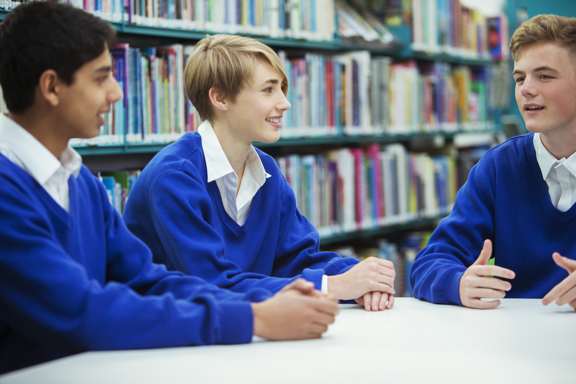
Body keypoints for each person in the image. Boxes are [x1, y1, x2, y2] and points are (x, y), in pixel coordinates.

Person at [0, 1, 340, 375]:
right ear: (51, 87)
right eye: (101, 78)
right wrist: (253, 318)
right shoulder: (7, 189)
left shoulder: (78, 180)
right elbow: (81, 310)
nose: (116, 92)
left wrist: (267, 303)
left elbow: (148, 280)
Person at [123, 34, 396, 312]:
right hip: (171, 343)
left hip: (241, 336)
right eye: (268, 90)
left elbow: (297, 258)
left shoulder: (266, 171)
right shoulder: (173, 178)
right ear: (220, 98)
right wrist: (333, 287)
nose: (285, 103)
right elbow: (213, 285)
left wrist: (363, 277)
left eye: (282, 88)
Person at [409, 14, 576, 310]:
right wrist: (457, 282)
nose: (526, 89)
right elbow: (430, 262)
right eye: (520, 78)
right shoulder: (498, 168)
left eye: (545, 76)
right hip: (512, 343)